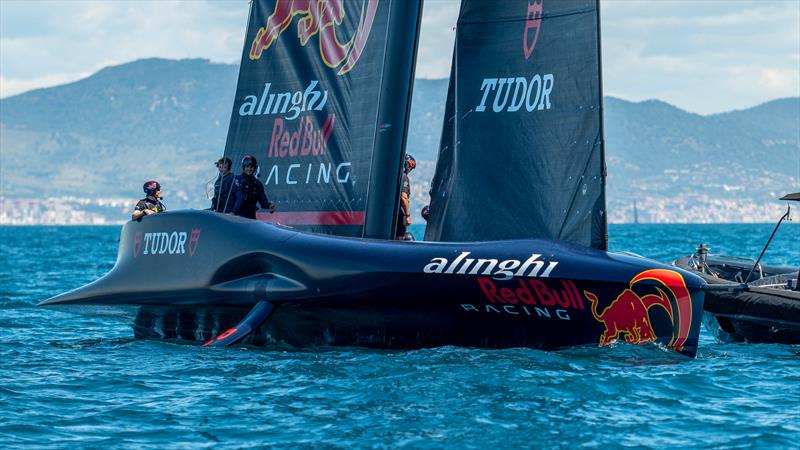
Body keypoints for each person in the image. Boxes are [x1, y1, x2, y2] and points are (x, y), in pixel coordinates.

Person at [232, 155, 275, 219]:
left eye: (251, 167)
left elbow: (263, 202)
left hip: (250, 217)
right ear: (243, 167)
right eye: (247, 167)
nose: (249, 169)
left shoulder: (257, 184)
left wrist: (269, 205)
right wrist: (232, 213)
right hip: (234, 216)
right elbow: (233, 198)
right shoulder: (236, 180)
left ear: (254, 168)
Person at [396, 154, 415, 239]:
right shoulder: (404, 177)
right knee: (399, 240)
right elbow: (403, 197)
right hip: (399, 214)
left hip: (393, 214)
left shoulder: (395, 177)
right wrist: (407, 216)